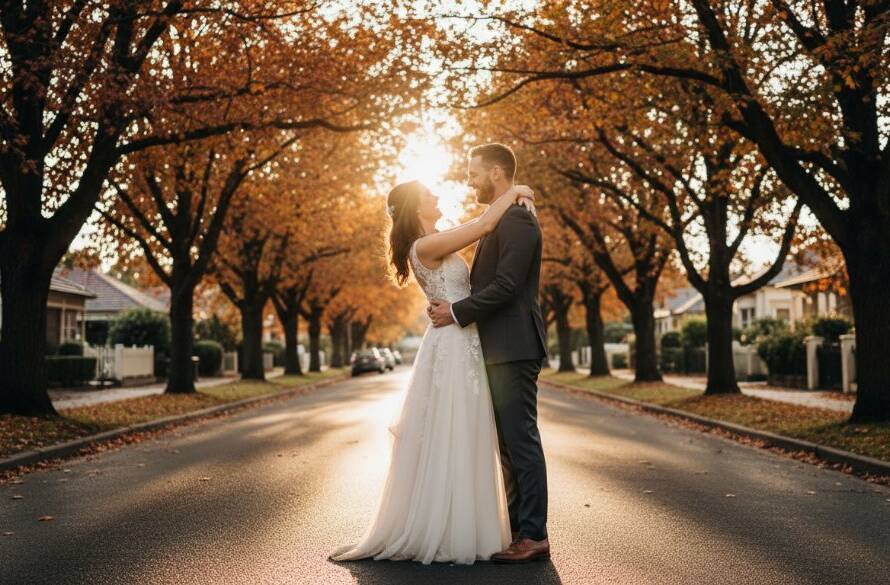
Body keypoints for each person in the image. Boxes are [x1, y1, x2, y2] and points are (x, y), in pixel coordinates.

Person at [329, 173, 537, 565]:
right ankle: (448, 527)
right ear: (414, 207)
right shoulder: (424, 245)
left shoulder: (433, 241)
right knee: (454, 430)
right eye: (429, 193)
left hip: (460, 340)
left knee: (466, 431)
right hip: (453, 346)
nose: (438, 194)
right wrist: (514, 191)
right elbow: (483, 224)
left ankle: (468, 522)